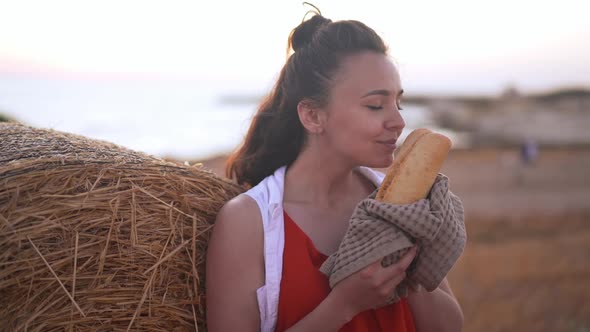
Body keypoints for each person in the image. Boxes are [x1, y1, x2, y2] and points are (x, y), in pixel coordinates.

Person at [206, 10, 464, 332]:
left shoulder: (402, 206)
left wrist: (406, 270)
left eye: (398, 103)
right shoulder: (248, 221)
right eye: (375, 105)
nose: (398, 122)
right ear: (313, 116)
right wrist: (345, 305)